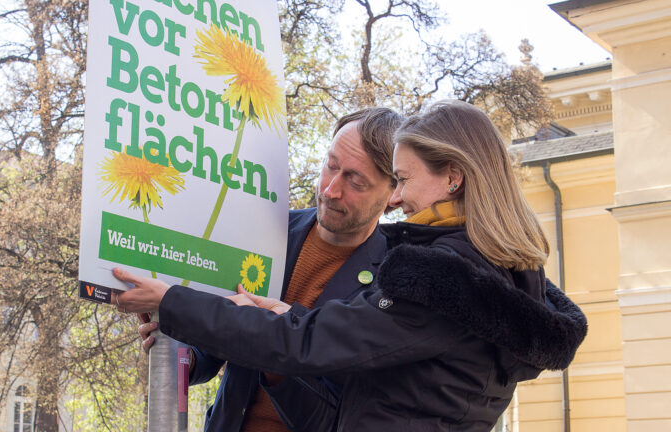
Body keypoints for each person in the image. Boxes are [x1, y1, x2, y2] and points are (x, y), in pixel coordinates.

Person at [114, 100, 588, 431]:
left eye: (397, 181)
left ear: (453, 178)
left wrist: (174, 301)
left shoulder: (439, 277)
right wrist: (192, 343)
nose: (331, 189)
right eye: (329, 166)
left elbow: (310, 343)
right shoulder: (502, 279)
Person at [136, 107, 404, 431]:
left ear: (393, 195)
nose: (331, 189)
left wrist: (274, 348)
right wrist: (182, 352)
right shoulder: (267, 232)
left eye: (356, 181)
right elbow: (212, 343)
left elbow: (341, 416)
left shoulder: (393, 283)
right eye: (330, 165)